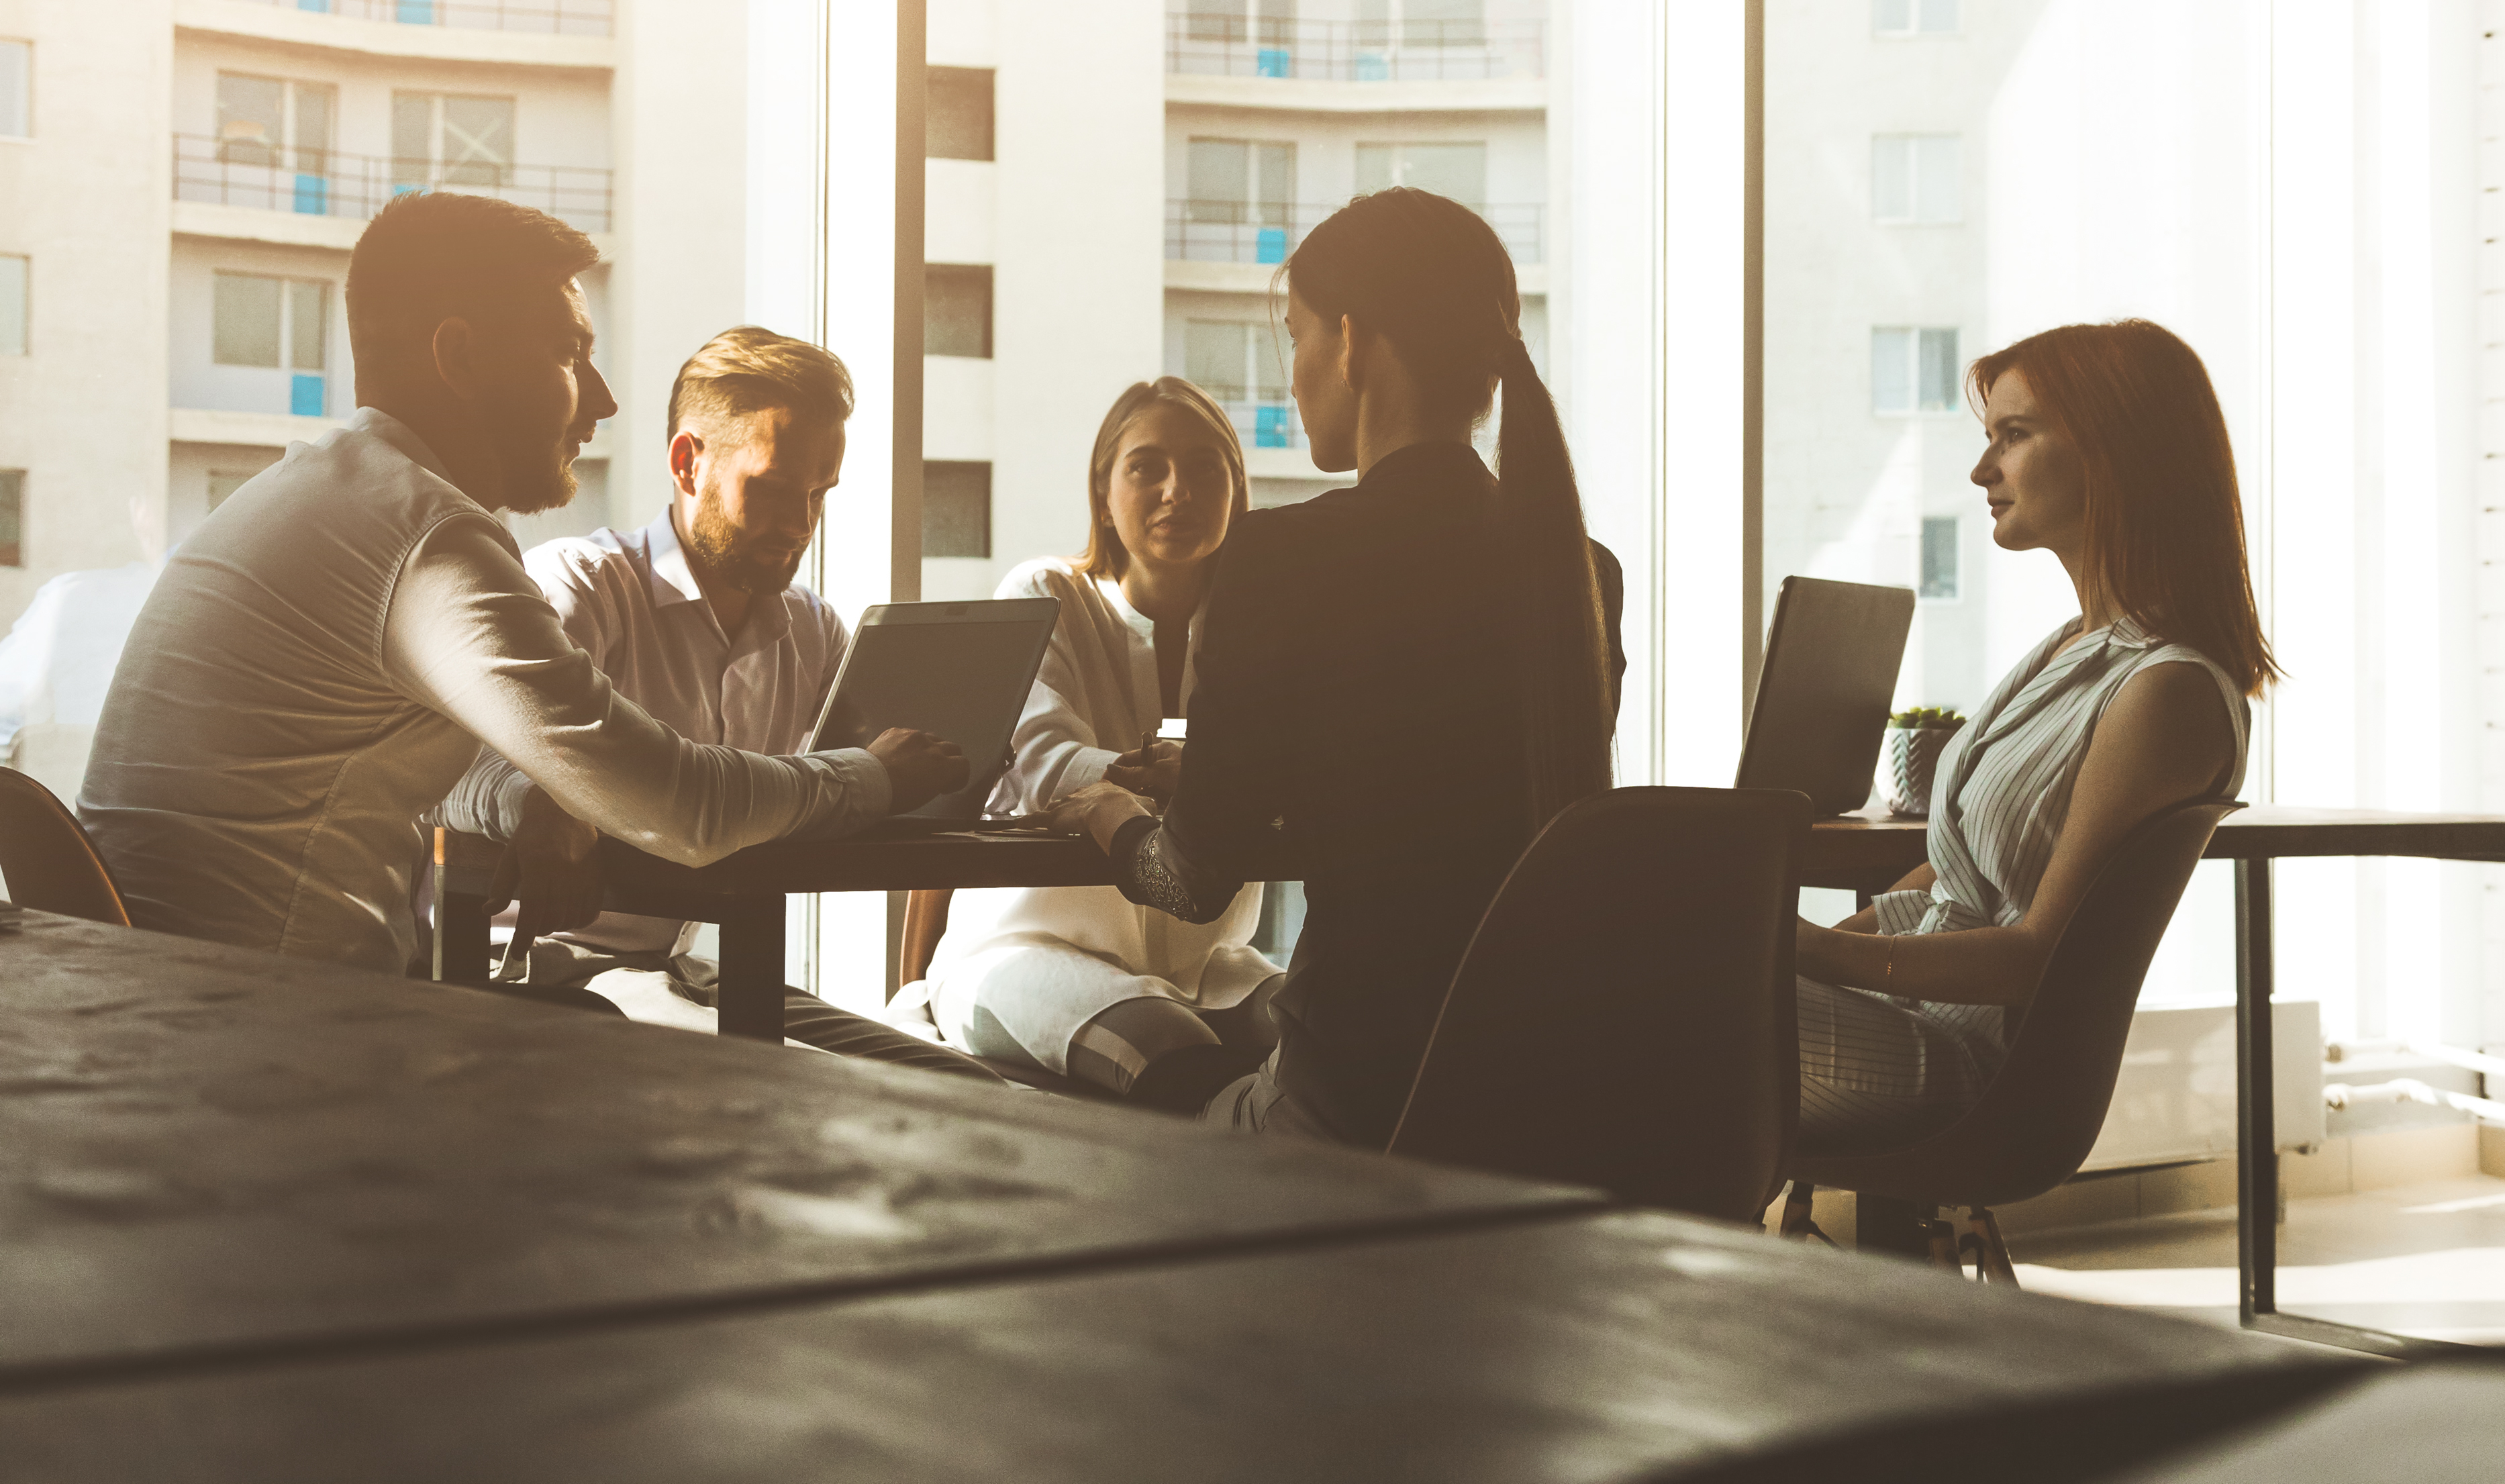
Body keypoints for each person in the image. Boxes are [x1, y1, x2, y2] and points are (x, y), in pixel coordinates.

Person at [80, 192, 966, 983]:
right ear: (460, 357)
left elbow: (450, 770)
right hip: (263, 1062)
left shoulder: (333, 491)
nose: (607, 399)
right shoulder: (424, 537)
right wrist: (871, 777)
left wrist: (529, 795)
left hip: (174, 1018)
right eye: (570, 354)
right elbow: (679, 803)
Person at [1046, 188, 1625, 1146]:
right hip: (1529, 1109)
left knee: (1048, 1097)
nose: (1297, 372)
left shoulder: (1283, 557)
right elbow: (1448, 799)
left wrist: (1111, 816)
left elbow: (1189, 880)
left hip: (1346, 1108)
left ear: (1352, 344)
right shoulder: (1579, 568)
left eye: (1297, 335)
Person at [436, 326, 991, 1074]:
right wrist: (538, 794)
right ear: (687, 463)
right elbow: (448, 768)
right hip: (541, 969)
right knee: (809, 1088)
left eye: (818, 496)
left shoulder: (811, 626)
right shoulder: (580, 587)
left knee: (961, 1084)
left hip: (685, 974)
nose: (799, 526)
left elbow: (864, 779)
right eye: (770, 490)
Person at [1788, 318, 2270, 1152]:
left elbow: (2036, 955)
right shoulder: (2071, 650)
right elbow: (1949, 882)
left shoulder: (2164, 692)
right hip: (1914, 1021)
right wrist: (1798, 947)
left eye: (2013, 436)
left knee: (1652, 999)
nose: (1982, 470)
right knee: (1654, 981)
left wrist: (1800, 954)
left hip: (1968, 1069)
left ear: (2116, 451)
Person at [925, 377, 1283, 1111]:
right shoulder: (1044, 593)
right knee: (1173, 1050)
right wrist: (1209, 778)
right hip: (1028, 952)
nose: (1176, 490)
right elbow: (1045, 764)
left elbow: (1289, 779)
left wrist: (1213, 778)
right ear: (1104, 490)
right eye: (1147, 466)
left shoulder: (1261, 636)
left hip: (1207, 961)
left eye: (1204, 468)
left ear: (1236, 489)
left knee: (1316, 1032)